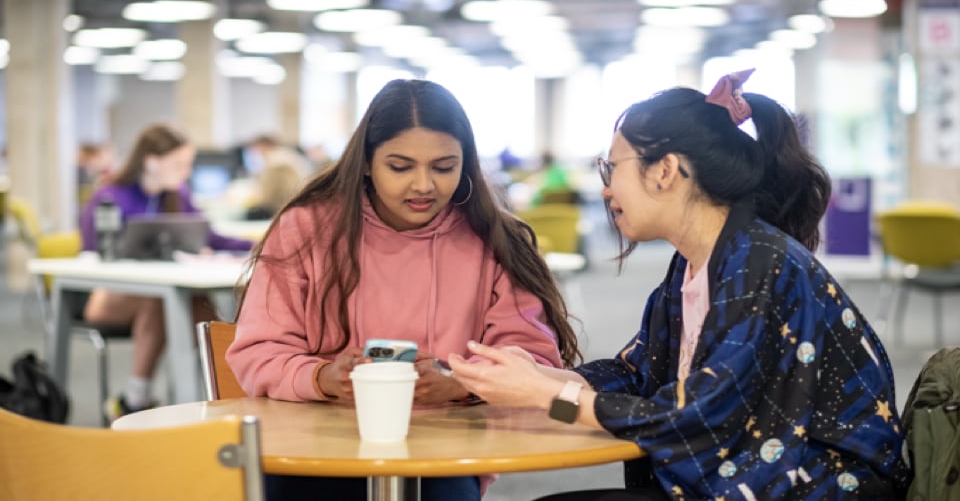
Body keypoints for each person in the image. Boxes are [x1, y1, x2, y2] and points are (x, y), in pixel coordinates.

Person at [448, 70, 912, 500]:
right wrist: (541, 378)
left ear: (665, 170)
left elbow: (697, 418)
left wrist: (548, 396)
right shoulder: (697, 263)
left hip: (816, 485)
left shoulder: (758, 263)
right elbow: (639, 377)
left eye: (612, 168)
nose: (606, 189)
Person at [226, 79, 580, 501]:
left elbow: (533, 360)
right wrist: (322, 377)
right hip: (314, 447)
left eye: (444, 167)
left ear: (465, 164)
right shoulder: (305, 229)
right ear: (365, 163)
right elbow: (258, 351)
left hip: (442, 453)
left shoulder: (493, 239)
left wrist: (461, 384)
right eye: (400, 166)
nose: (423, 185)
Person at [79, 123, 254, 419]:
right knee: (160, 298)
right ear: (151, 161)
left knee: (199, 301)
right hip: (106, 295)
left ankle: (227, 393)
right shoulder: (110, 197)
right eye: (179, 164)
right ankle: (136, 399)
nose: (185, 172)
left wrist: (263, 243)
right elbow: (93, 247)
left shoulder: (177, 196)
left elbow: (209, 236)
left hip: (157, 292)